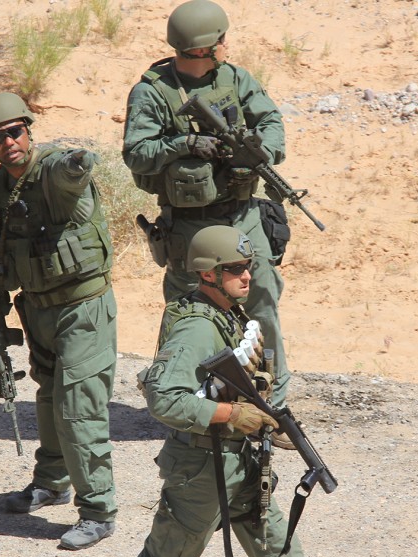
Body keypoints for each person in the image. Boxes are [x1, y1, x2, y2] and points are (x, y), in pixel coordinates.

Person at [79, 226, 383, 557]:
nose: (246, 275)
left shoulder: (227, 314)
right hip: (202, 470)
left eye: (247, 266)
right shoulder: (197, 327)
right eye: (234, 269)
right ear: (208, 274)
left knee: (280, 553)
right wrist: (229, 414)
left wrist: (261, 418)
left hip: (242, 463)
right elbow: (163, 397)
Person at [123, 0, 291, 409]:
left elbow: (272, 125)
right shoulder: (153, 92)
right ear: (203, 48)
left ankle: (274, 402)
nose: (225, 45)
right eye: (220, 40)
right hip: (188, 224)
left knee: (262, 298)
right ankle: (181, 399)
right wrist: (187, 144)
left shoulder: (235, 78)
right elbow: (137, 153)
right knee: (187, 310)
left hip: (241, 214)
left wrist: (256, 153)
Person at [0, 92, 118, 550]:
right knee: (48, 396)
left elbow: (69, 172)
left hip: (82, 307)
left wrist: (77, 161)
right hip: (37, 307)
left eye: (14, 132)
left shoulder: (53, 171)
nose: (8, 143)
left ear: (28, 130)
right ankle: (52, 482)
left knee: (79, 407)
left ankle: (98, 510)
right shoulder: (0, 186)